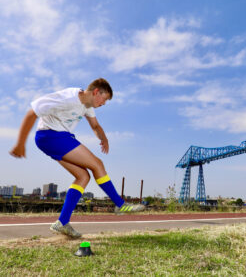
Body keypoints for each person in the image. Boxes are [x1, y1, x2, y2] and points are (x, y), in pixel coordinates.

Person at [10, 78, 145, 238]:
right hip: (51, 135)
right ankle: (120, 204)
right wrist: (20, 144)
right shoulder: (67, 98)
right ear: (96, 92)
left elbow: (95, 126)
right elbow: (32, 113)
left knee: (83, 176)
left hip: (58, 137)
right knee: (97, 164)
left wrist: (104, 138)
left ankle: (62, 223)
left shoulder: (88, 105)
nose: (104, 103)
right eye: (105, 99)